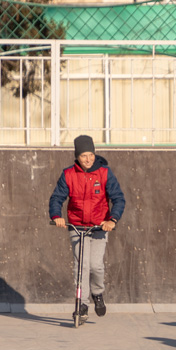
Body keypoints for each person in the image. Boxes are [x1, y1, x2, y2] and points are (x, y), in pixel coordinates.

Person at [48, 135, 125, 319]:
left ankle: (97, 293)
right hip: (77, 226)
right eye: (84, 156)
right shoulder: (68, 174)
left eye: (91, 154)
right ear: (77, 156)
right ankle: (82, 305)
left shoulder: (105, 173)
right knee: (81, 266)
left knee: (96, 266)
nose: (88, 159)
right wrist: (56, 216)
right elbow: (57, 197)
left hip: (99, 226)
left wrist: (112, 220)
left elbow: (118, 198)